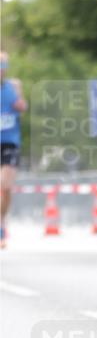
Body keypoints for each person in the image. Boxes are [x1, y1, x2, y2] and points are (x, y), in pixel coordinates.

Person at [1, 52, 28, 248]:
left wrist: (20, 102)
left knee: (5, 185)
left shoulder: (14, 86)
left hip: (9, 141)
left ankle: (1, 224)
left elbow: (22, 107)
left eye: (3, 66)